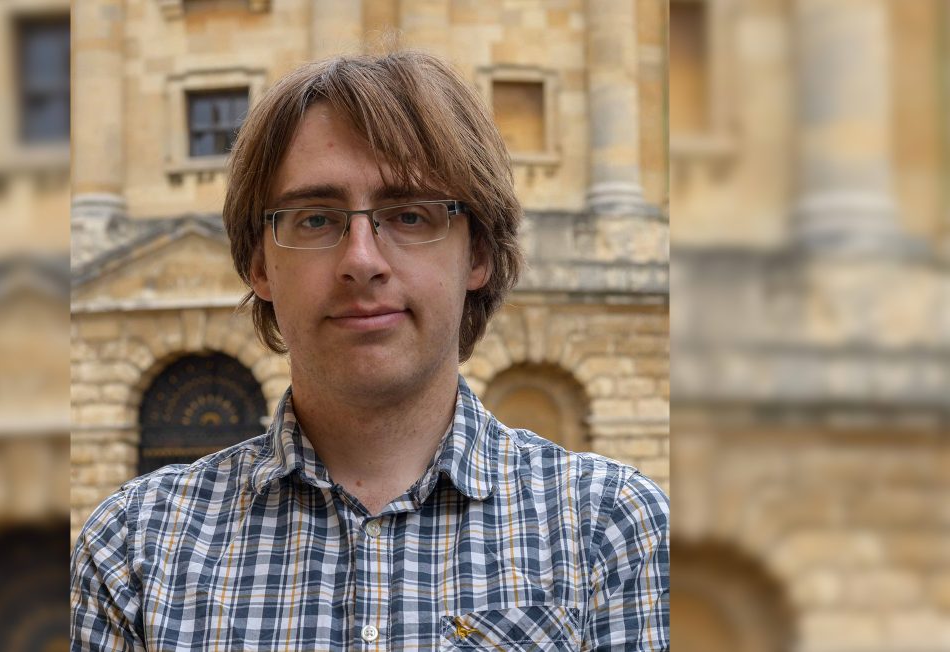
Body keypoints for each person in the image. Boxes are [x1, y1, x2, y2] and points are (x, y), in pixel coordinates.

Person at [72, 51, 669, 650]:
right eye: (314, 219)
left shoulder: (614, 528)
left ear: (478, 255)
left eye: (410, 215)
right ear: (260, 264)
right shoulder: (131, 548)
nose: (362, 261)